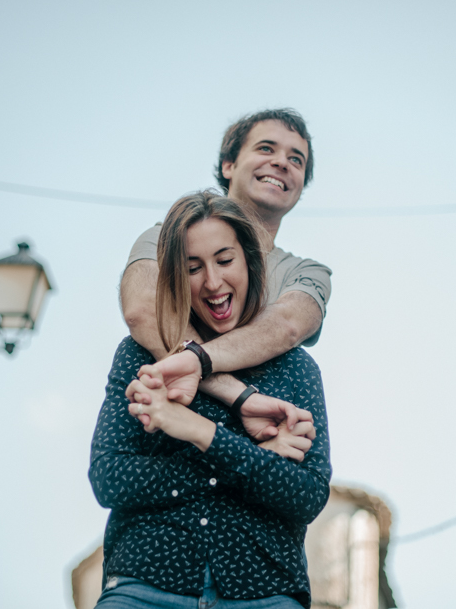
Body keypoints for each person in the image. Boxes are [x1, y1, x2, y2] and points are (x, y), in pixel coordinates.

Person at [90, 191, 331, 609]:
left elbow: (306, 496)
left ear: (250, 262)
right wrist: (246, 457)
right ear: (173, 278)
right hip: (144, 585)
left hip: (264, 591)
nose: (213, 282)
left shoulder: (296, 368)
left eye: (224, 260)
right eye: (192, 268)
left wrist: (201, 433)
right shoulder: (138, 354)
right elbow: (110, 479)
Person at [120, 109, 331, 449]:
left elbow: (288, 325)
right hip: (163, 436)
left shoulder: (308, 273)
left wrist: (195, 362)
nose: (282, 162)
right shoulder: (164, 240)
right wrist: (239, 395)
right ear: (228, 165)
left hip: (267, 443)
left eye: (297, 159)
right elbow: (143, 309)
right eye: (266, 148)